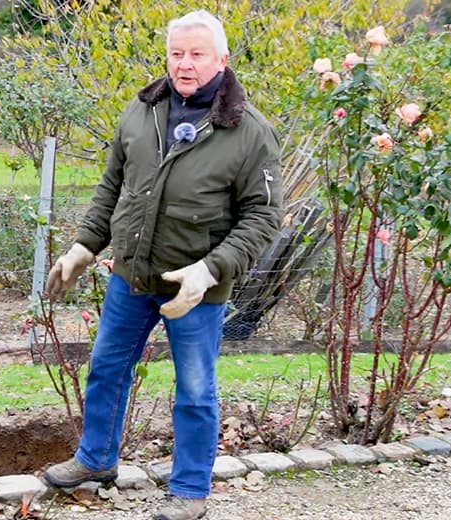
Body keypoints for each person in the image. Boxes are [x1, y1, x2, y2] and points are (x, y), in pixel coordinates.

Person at [42, 9, 282, 520]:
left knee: (195, 389)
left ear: (222, 59)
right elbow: (112, 187)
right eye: (177, 53)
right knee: (106, 368)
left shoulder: (249, 131)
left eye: (197, 54)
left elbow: (263, 217)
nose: (185, 65)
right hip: (131, 275)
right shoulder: (142, 110)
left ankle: (191, 491)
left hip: (194, 289)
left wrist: (211, 269)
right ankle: (96, 460)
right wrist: (85, 247)